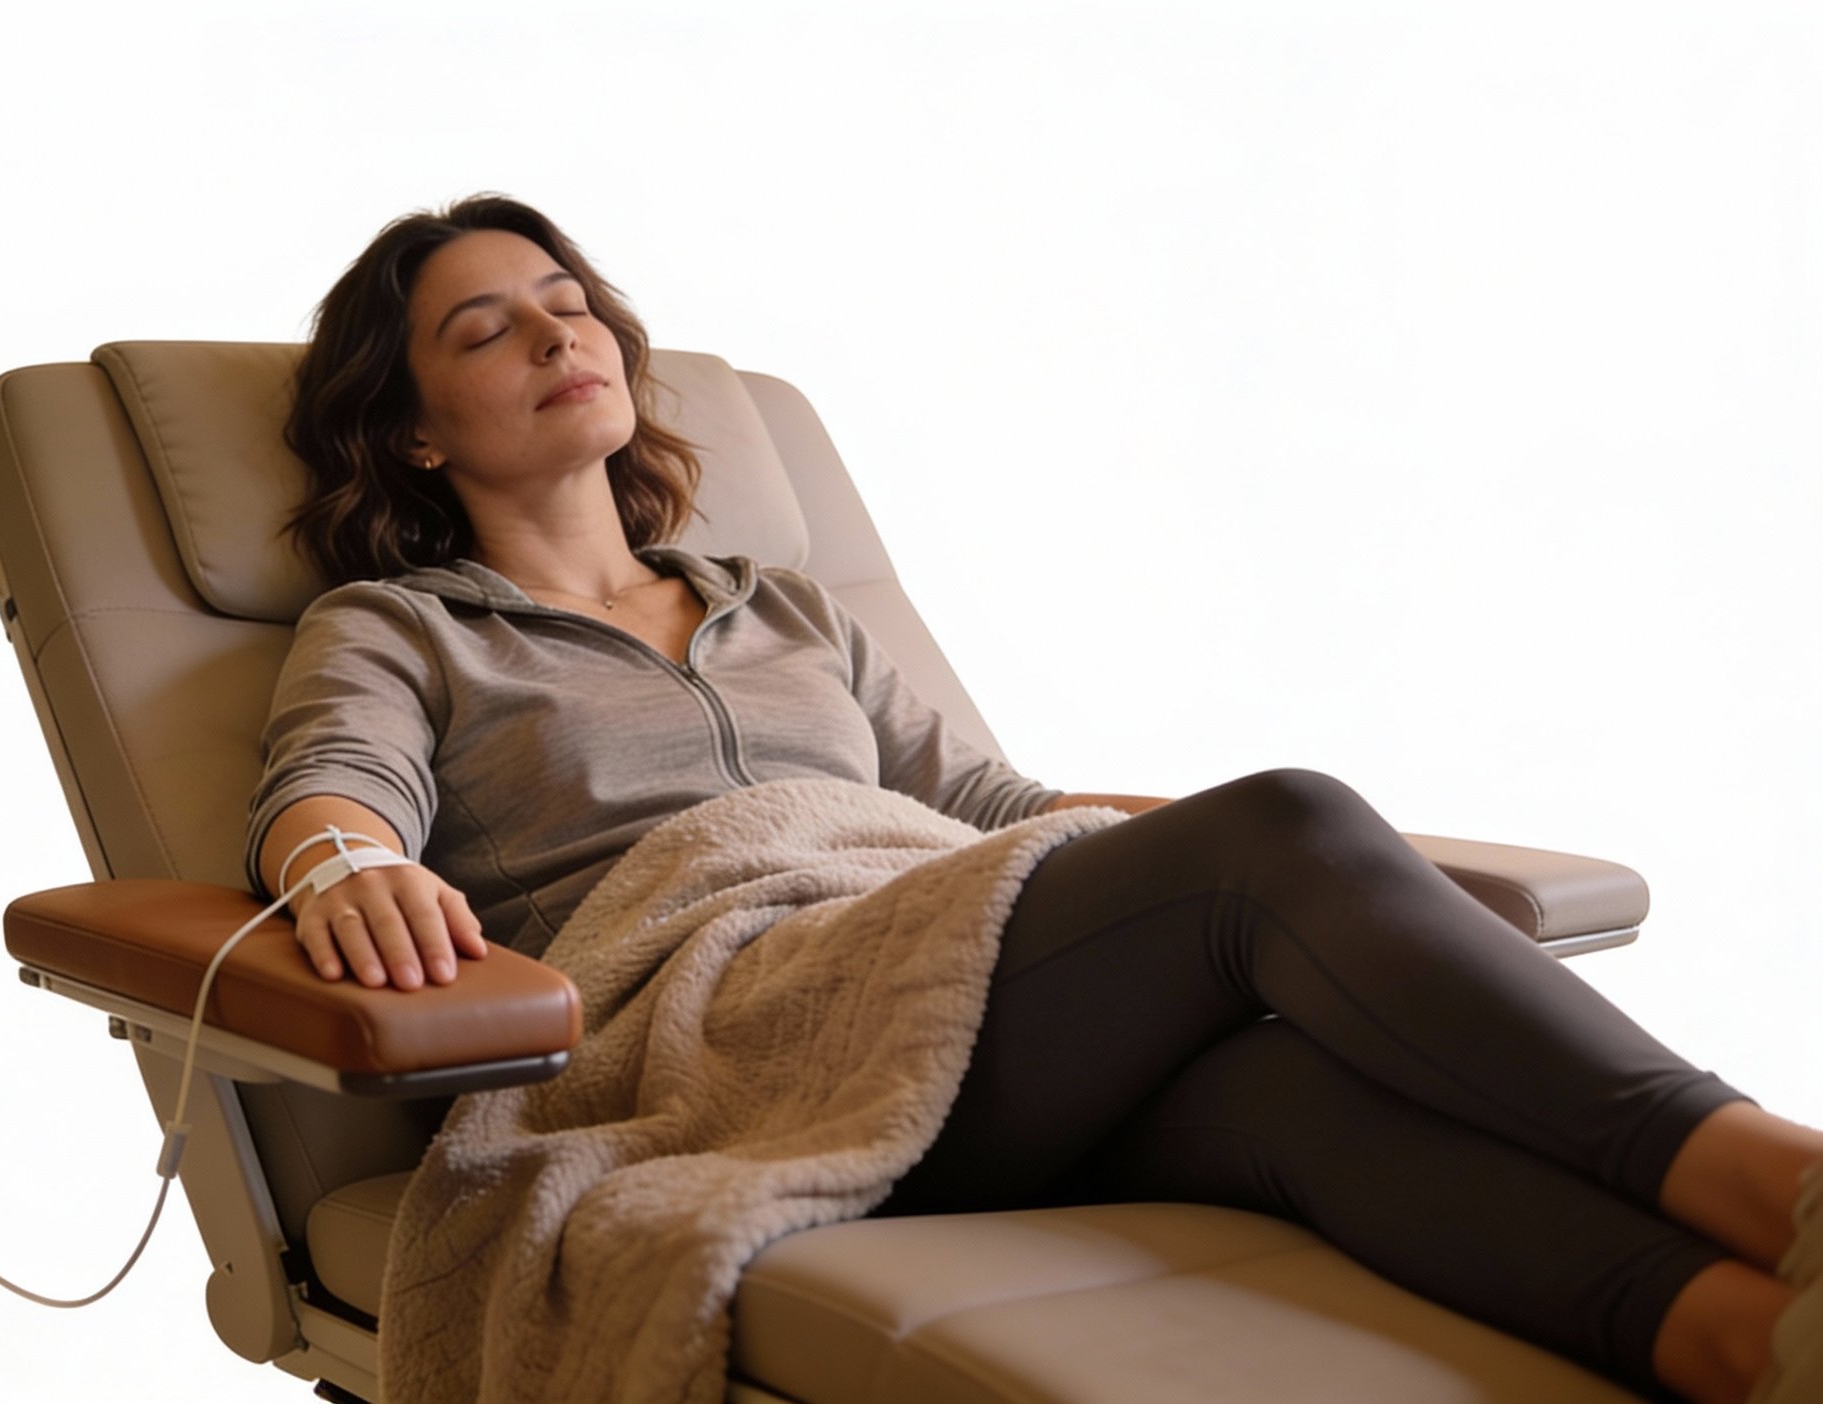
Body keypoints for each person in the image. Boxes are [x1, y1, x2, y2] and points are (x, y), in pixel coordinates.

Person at [244, 194, 1822, 1404]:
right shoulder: (404, 626)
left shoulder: (786, 609)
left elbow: (994, 807)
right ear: (412, 430)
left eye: (569, 303)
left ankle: (1757, 1352)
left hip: (935, 983)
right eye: (487, 332)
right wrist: (340, 866)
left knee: (1294, 1102)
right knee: (1281, 825)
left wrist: (1341, 886)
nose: (554, 336)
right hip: (721, 1029)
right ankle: (1793, 1188)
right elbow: (332, 787)